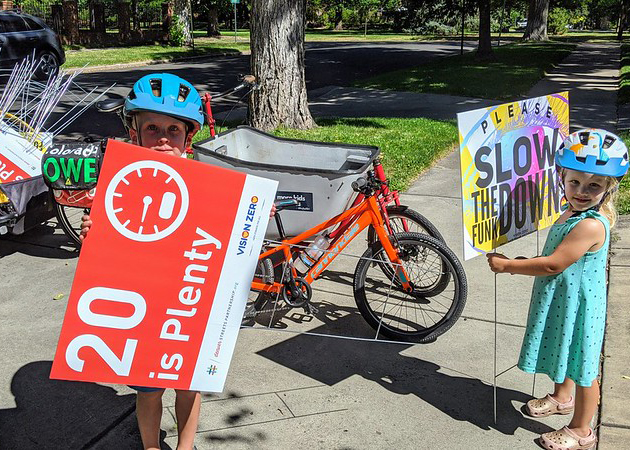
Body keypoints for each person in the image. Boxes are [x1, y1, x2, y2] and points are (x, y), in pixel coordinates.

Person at [81, 73, 207, 450]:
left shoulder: (207, 181)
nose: (164, 137)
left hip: (188, 299)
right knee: (149, 389)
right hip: (143, 303)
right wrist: (94, 235)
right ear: (133, 132)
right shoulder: (118, 181)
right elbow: (104, 250)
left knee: (189, 384)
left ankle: (186, 446)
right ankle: (151, 447)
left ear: (189, 135)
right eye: (152, 127)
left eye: (173, 128)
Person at [486, 128, 629, 450]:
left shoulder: (590, 224)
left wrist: (509, 266)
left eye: (593, 185)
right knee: (563, 349)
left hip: (579, 306)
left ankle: (581, 430)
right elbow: (554, 255)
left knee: (584, 368)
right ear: (562, 177)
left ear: (609, 187)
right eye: (574, 182)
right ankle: (562, 397)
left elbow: (554, 265)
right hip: (564, 299)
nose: (581, 190)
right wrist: (530, 259)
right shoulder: (573, 211)